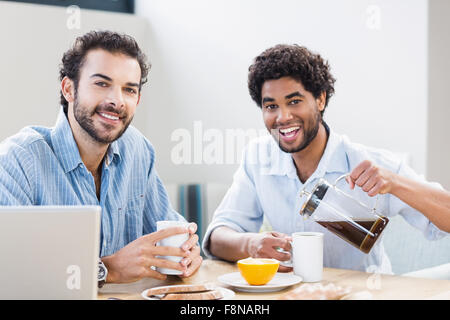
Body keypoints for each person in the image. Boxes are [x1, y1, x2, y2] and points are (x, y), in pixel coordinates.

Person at [202, 44, 450, 274]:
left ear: (320, 99)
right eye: (271, 106)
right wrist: (251, 244)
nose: (283, 117)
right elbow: (217, 238)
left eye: (294, 101)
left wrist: (395, 183)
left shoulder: (369, 163)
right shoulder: (258, 158)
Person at [0, 31, 202, 284]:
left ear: (137, 100)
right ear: (68, 89)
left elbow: (169, 230)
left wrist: (188, 251)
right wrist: (107, 269)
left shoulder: (138, 150)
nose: (116, 101)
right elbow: (9, 271)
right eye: (102, 83)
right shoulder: (18, 160)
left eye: (129, 90)